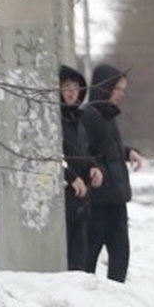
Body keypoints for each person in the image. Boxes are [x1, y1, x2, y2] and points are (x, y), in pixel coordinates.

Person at [82, 63, 142, 282]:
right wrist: (97, 172)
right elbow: (84, 154)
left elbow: (109, 150)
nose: (121, 95)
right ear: (105, 88)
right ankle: (86, 306)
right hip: (97, 204)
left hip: (116, 201)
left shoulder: (109, 117)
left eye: (123, 90)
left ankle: (116, 306)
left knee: (120, 257)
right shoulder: (88, 116)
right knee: (88, 261)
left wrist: (128, 152)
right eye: (118, 89)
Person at [59, 65, 102, 271]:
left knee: (80, 262)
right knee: (66, 262)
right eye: (66, 86)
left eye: (76, 87)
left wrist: (93, 168)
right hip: (63, 199)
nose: (71, 92)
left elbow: (84, 152)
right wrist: (69, 177)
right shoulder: (53, 119)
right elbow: (48, 157)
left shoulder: (78, 119)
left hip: (81, 200)